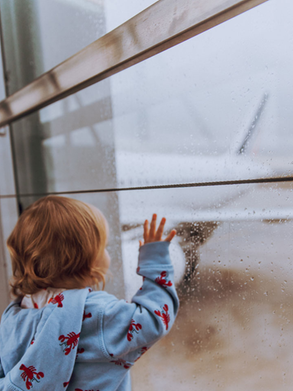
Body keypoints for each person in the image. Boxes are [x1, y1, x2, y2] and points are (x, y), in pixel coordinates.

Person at [0, 195, 179, 391]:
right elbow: (153, 319)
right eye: (104, 247)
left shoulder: (13, 318)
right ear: (88, 262)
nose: (107, 253)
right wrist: (155, 262)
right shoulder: (97, 314)